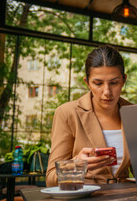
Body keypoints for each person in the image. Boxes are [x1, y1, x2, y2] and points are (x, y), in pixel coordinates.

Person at [46, 45, 132, 187]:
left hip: (127, 199)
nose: (107, 92)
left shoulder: (134, 113)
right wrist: (77, 165)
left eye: (114, 83)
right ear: (87, 82)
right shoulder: (67, 113)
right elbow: (50, 179)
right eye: (98, 83)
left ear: (123, 80)